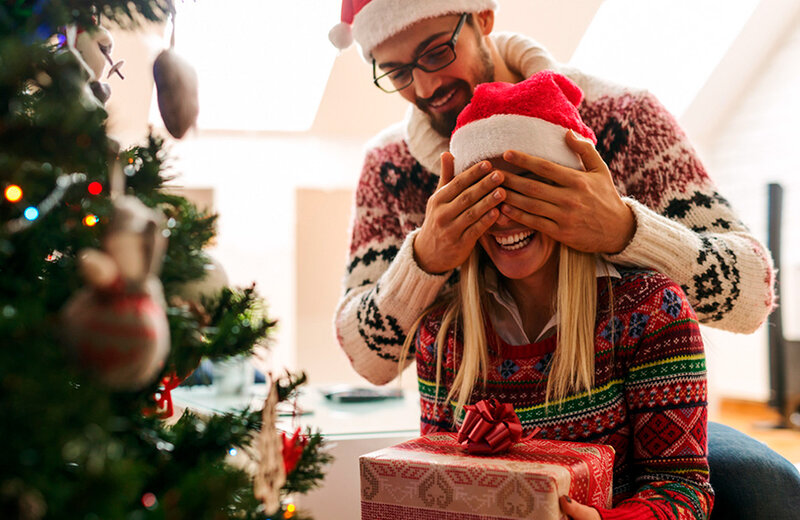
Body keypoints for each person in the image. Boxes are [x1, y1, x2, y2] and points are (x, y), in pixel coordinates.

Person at [328, 1, 800, 518]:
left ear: (483, 18)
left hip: (629, 400)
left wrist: (626, 230)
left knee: (759, 485)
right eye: (395, 72)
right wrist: (424, 260)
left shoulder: (624, 117)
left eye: (437, 51)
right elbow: (369, 360)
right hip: (481, 389)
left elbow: (751, 294)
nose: (423, 87)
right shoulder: (390, 167)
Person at [400, 69, 713, 519]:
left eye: (527, 190)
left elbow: (684, 491)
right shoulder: (443, 335)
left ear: (572, 192)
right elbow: (439, 482)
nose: (505, 217)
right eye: (485, 194)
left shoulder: (649, 311)